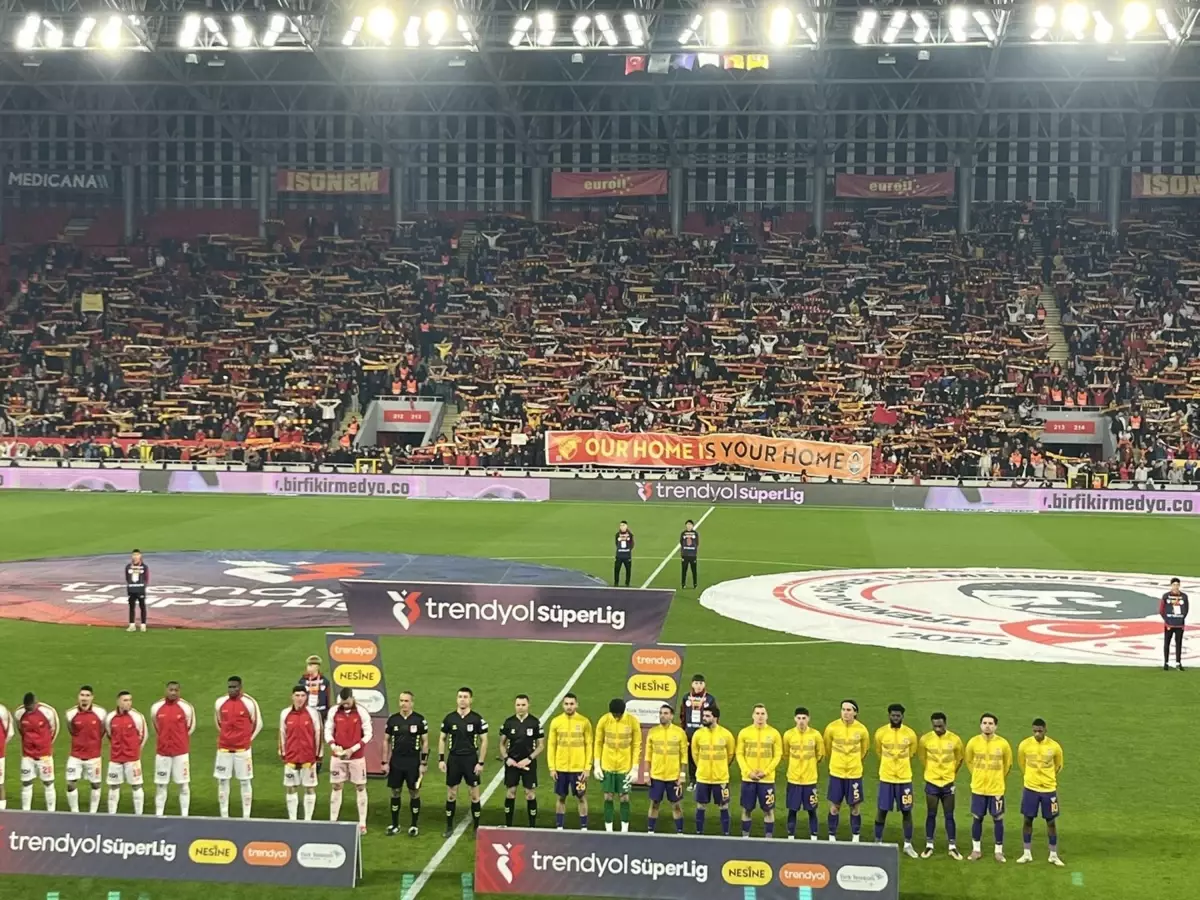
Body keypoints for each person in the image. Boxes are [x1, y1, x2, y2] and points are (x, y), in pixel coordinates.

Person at [438, 686, 489, 837]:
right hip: (454, 759)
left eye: (465, 697)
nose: (462, 699)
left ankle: (476, 827)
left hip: (470, 759)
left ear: (470, 700)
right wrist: (441, 759)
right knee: (451, 794)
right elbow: (442, 738)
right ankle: (449, 826)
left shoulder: (477, 719)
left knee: (474, 795)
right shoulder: (449, 719)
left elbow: (484, 741)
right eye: (460, 696)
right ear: (456, 699)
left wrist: (480, 762)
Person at [964, 712, 1012, 862]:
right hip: (978, 788)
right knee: (977, 818)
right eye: (985, 723)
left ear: (995, 726)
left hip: (996, 789)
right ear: (980, 725)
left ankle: (998, 851)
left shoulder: (1003, 744)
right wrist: (977, 776)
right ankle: (976, 850)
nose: (987, 726)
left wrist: (997, 778)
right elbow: (969, 761)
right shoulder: (973, 742)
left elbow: (1008, 764)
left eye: (991, 723)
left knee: (998, 819)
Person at [873, 703, 919, 857]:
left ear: (902, 717)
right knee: (882, 810)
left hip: (904, 779)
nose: (895, 718)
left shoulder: (910, 734)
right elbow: (878, 751)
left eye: (898, 716)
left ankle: (908, 844)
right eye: (893, 715)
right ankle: (877, 842)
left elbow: (912, 753)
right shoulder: (881, 733)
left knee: (906, 811)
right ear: (889, 716)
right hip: (886, 778)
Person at [1017, 718, 1064, 866]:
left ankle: (1053, 854)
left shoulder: (1054, 746)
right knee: (1027, 820)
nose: (1037, 734)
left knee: (1051, 822)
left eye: (1040, 731)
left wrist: (1047, 778)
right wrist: (1030, 778)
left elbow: (1058, 765)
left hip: (1048, 789)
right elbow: (1022, 763)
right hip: (1030, 788)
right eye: (1035, 731)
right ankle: (1026, 853)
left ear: (1045, 730)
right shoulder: (1025, 745)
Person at [213, 675, 262, 819]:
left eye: (234, 687)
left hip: (243, 751)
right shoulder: (220, 702)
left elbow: (258, 724)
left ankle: (246, 816)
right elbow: (219, 723)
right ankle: (224, 815)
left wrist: (246, 740)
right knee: (222, 781)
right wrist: (226, 737)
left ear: (240, 687)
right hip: (224, 749)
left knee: (245, 781)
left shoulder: (249, 703)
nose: (232, 690)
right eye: (230, 687)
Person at [326, 687, 373, 834]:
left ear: (352, 698)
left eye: (347, 702)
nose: (345, 704)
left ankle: (362, 823)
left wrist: (352, 749)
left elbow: (368, 734)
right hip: (338, 756)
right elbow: (328, 730)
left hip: (356, 757)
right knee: (336, 786)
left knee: (360, 786)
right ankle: (333, 821)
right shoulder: (334, 711)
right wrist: (334, 746)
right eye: (343, 702)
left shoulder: (361, 712)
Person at [918, 711, 964, 860]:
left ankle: (952, 847)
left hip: (948, 783)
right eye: (935, 726)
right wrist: (931, 772)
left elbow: (960, 758)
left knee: (949, 815)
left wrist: (951, 773)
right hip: (932, 782)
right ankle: (929, 845)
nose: (938, 729)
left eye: (940, 726)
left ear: (945, 724)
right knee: (931, 814)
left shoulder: (955, 739)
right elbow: (922, 757)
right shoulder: (925, 739)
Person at [384, 690, 429, 836]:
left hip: (413, 762)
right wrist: (384, 761)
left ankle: (414, 825)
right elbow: (386, 740)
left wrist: (423, 763)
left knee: (414, 792)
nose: (403, 703)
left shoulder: (419, 720)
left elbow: (425, 742)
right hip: (396, 761)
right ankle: (395, 824)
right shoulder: (393, 720)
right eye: (401, 700)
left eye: (406, 701)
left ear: (412, 703)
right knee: (395, 791)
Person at [824, 699, 869, 842]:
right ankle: (832, 836)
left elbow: (864, 750)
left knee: (855, 807)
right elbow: (827, 748)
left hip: (854, 774)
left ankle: (855, 837)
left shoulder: (862, 730)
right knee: (834, 807)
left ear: (855, 712)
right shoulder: (832, 728)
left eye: (849, 710)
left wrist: (853, 763)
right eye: (843, 709)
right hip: (836, 773)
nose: (845, 713)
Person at [594, 698, 642, 832]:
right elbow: (598, 742)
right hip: (607, 764)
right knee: (608, 796)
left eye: (618, 715)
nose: (616, 717)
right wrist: (597, 764)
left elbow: (636, 745)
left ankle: (624, 830)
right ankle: (608, 829)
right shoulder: (604, 720)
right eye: (614, 715)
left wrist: (635, 768)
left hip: (624, 767)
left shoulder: (632, 721)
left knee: (624, 797)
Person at [547, 692, 593, 830]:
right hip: (561, 768)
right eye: (566, 704)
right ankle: (559, 827)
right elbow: (551, 745)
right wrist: (552, 767)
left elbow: (589, 745)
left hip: (578, 769)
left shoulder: (584, 722)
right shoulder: (556, 722)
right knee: (561, 797)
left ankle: (584, 827)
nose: (569, 706)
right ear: (563, 705)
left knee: (581, 797)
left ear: (577, 705)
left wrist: (587, 767)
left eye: (571, 704)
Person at [736, 704, 783, 837]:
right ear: (753, 715)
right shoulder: (744, 733)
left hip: (766, 780)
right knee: (746, 809)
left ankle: (768, 839)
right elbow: (739, 754)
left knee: (768, 810)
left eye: (762, 713)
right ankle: (745, 837)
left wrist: (766, 772)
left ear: (767, 716)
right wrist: (748, 772)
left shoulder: (774, 733)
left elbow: (777, 755)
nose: (760, 716)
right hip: (748, 779)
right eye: (757, 713)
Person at [150, 681, 196, 816]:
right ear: (166, 690)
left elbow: (190, 727)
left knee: (183, 784)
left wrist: (179, 740)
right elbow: (156, 726)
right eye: (171, 690)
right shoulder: (156, 707)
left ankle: (184, 815)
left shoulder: (186, 707)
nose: (173, 692)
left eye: (176, 690)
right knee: (161, 785)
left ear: (179, 691)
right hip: (162, 753)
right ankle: (159, 814)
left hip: (180, 753)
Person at [500, 693, 544, 828]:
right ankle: (508, 825)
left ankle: (532, 827)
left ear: (528, 705)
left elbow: (541, 745)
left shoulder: (535, 722)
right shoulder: (508, 722)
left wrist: (529, 759)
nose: (520, 707)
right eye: (518, 705)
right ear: (515, 706)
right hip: (512, 764)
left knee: (529, 794)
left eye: (523, 705)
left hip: (529, 764)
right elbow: (501, 744)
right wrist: (507, 758)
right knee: (511, 792)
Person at [279, 685, 322, 821]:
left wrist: (318, 754)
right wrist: (283, 753)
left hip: (308, 756)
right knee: (290, 787)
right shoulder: (285, 713)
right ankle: (293, 819)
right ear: (292, 697)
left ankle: (308, 819)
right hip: (291, 756)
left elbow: (318, 734)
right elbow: (282, 734)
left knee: (309, 787)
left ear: (306, 697)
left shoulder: (313, 714)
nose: (300, 698)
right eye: (297, 695)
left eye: (303, 696)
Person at [782, 706, 824, 840]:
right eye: (799, 718)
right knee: (792, 809)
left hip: (810, 780)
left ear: (808, 719)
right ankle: (791, 836)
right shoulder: (788, 735)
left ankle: (814, 837)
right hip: (793, 779)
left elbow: (820, 755)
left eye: (804, 718)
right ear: (795, 719)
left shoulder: (816, 735)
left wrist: (810, 766)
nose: (801, 721)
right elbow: (786, 754)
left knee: (812, 810)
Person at [644, 704, 688, 834]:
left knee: (676, 805)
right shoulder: (653, 732)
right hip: (656, 775)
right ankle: (650, 831)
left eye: (665, 713)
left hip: (673, 776)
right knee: (654, 803)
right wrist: (646, 773)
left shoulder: (679, 733)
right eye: (661, 713)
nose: (662, 716)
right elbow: (648, 755)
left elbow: (684, 755)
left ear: (671, 716)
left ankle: (680, 832)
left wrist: (682, 775)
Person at [692, 706, 735, 835]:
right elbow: (695, 754)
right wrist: (702, 767)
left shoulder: (726, 734)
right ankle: (699, 833)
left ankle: (725, 833)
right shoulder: (698, 734)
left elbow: (730, 754)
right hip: (703, 777)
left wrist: (721, 767)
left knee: (724, 806)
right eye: (704, 716)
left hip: (720, 778)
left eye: (707, 716)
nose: (704, 718)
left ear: (715, 718)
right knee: (700, 806)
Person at [104, 691, 148, 814]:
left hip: (132, 759)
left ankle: (139, 815)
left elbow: (143, 736)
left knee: (136, 785)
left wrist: (135, 751)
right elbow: (109, 734)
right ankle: (112, 814)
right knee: (113, 786)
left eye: (130, 700)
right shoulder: (110, 717)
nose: (128, 703)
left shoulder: (137, 717)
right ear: (118, 702)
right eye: (125, 700)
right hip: (115, 758)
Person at [65, 686, 105, 814]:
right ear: (78, 697)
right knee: (70, 783)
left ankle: (93, 813)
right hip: (75, 755)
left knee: (95, 784)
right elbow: (72, 730)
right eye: (82, 695)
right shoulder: (70, 714)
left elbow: (102, 731)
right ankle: (75, 812)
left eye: (87, 695)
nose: (84, 698)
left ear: (92, 697)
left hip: (94, 756)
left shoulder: (101, 713)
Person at [15, 692, 58, 811]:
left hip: (44, 756)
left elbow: (54, 729)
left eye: (30, 707)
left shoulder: (47, 712)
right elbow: (21, 729)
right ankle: (26, 811)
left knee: (48, 783)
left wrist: (46, 744)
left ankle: (51, 812)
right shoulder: (19, 713)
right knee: (26, 783)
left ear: (35, 703)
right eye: (26, 708)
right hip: (27, 756)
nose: (28, 710)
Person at [679, 674, 716, 789]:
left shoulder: (709, 699)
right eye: (696, 683)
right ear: (692, 684)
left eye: (700, 683)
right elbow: (682, 715)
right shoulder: (686, 698)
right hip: (690, 732)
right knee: (691, 756)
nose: (698, 686)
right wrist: (683, 731)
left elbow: (715, 716)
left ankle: (705, 778)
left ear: (704, 685)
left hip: (704, 732)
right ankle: (693, 780)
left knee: (705, 755)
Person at [1160, 576, 1189, 671]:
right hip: (1169, 624)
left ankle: (1178, 663)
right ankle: (1166, 663)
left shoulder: (1184, 596)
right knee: (1167, 643)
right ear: (1171, 585)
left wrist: (1180, 618)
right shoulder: (1166, 596)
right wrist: (1167, 620)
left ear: (1179, 585)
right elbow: (1161, 610)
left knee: (1179, 643)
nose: (1176, 586)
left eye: (1177, 585)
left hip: (1179, 624)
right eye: (1174, 585)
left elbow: (1186, 609)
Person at [125, 549, 149, 633]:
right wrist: (131, 586)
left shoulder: (144, 567)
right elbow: (127, 578)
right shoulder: (128, 566)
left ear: (140, 556)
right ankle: (132, 625)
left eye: (137, 555)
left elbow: (146, 578)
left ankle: (143, 625)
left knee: (142, 607)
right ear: (132, 556)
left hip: (140, 590)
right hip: (131, 589)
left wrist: (142, 586)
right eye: (134, 555)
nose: (135, 557)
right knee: (131, 607)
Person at [679, 520, 700, 589]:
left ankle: (695, 584)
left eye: (690, 524)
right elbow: (681, 542)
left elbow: (697, 543)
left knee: (694, 570)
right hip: (685, 555)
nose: (689, 526)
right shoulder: (683, 533)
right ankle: (683, 584)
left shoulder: (695, 533)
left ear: (692, 526)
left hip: (692, 555)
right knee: (684, 570)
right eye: (687, 524)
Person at [613, 521, 634, 586]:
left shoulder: (630, 534)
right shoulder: (617, 534)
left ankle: (627, 583)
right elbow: (616, 543)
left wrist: (628, 550)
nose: (622, 527)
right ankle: (616, 583)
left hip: (627, 556)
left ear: (626, 526)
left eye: (623, 525)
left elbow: (632, 544)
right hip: (619, 555)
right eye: (621, 525)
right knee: (616, 569)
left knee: (628, 570)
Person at [0, 701, 11, 809]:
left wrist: (2, 744)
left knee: (0, 783)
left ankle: (2, 810)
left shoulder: (2, 710)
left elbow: (9, 732)